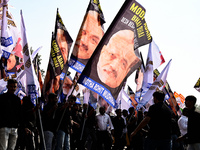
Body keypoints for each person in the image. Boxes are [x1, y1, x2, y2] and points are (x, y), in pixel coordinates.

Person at [0, 79, 21, 150]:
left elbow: (19, 113)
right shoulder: (2, 98)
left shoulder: (17, 99)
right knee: (3, 147)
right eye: (11, 86)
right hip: (4, 127)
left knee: (12, 148)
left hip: (14, 127)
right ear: (7, 86)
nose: (13, 88)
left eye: (14, 87)